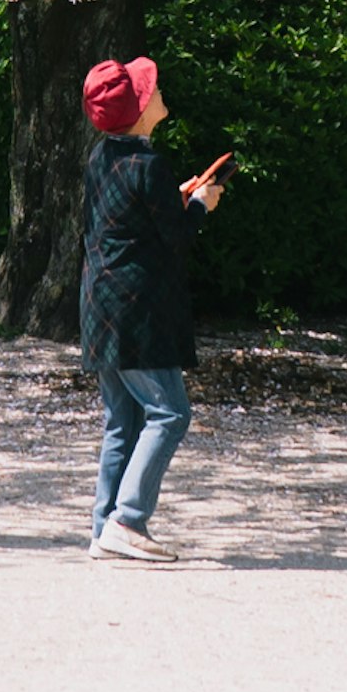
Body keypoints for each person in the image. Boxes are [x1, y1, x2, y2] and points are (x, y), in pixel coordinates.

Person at [77, 54, 232, 560]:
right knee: (170, 413)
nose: (159, 93)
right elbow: (177, 235)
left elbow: (131, 217)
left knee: (122, 418)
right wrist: (200, 204)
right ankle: (128, 519)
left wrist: (179, 197)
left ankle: (105, 525)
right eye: (152, 91)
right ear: (142, 113)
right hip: (138, 310)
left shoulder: (102, 158)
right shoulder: (151, 165)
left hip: (100, 306)